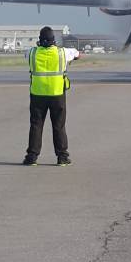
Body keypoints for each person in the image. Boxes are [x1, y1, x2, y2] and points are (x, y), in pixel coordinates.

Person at [23, 26, 81, 166]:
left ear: (39, 40)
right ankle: (62, 157)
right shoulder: (62, 53)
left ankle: (32, 157)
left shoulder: (31, 53)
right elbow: (78, 54)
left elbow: (26, 54)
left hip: (38, 95)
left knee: (36, 125)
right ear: (54, 40)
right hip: (57, 94)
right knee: (59, 126)